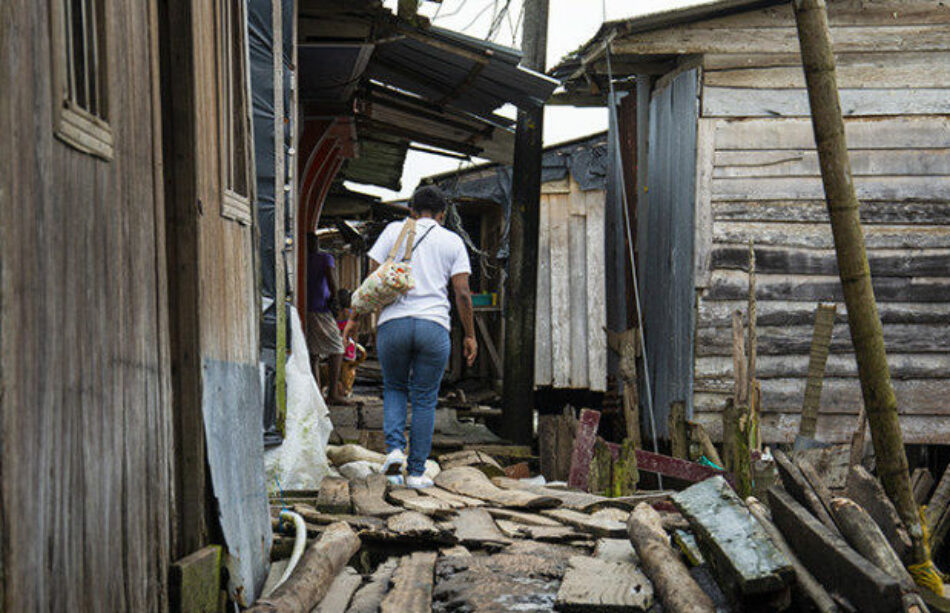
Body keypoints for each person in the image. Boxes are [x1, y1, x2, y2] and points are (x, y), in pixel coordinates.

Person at [344, 186, 477, 488]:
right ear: (442, 214)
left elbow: (373, 283)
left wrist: (354, 319)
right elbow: (463, 294)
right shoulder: (452, 241)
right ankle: (416, 472)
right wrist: (470, 335)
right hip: (434, 326)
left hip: (393, 324)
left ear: (412, 211)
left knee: (394, 388)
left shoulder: (394, 232)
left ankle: (393, 451)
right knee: (425, 398)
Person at [306, 234, 348, 405]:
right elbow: (331, 280)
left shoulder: (301, 258)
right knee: (337, 348)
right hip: (321, 309)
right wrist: (336, 301)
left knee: (313, 352)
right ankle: (333, 393)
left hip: (304, 308)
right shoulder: (325, 258)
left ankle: (317, 394)